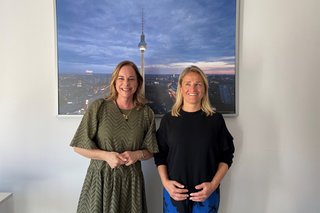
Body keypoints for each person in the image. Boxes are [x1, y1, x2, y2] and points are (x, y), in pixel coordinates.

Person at [70, 60, 159, 213]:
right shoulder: (99, 107)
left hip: (131, 183)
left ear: (138, 82)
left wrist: (137, 154)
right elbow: (78, 147)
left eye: (131, 78)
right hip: (100, 181)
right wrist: (106, 156)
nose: (126, 83)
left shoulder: (146, 113)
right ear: (114, 81)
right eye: (121, 78)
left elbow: (152, 150)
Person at [154, 65, 235, 213]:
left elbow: (227, 155)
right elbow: (160, 156)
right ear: (180, 87)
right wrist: (166, 183)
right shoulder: (168, 120)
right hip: (174, 195)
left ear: (204, 88)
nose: (193, 88)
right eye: (188, 84)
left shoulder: (215, 120)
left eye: (198, 84)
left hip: (206, 195)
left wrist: (213, 185)